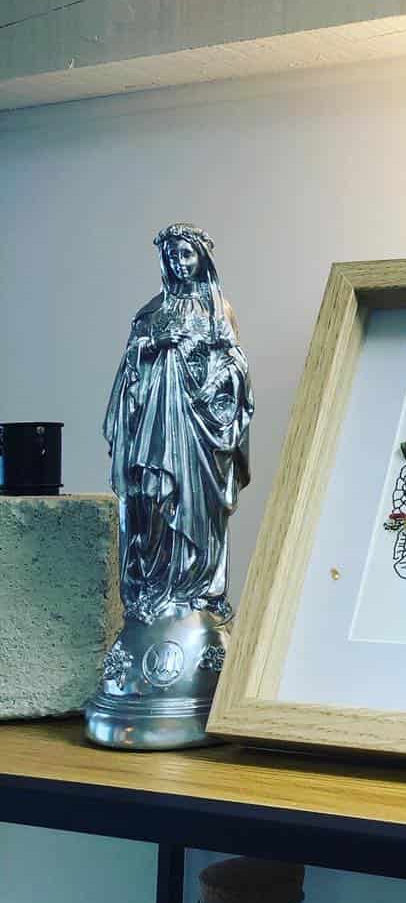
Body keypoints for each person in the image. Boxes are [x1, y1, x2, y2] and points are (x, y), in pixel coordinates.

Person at [105, 224, 253, 625]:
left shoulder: (218, 311)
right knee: (154, 502)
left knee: (197, 508)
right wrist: (154, 344)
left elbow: (236, 364)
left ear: (202, 259)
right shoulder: (151, 313)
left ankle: (199, 593)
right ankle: (155, 590)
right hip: (156, 429)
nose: (180, 263)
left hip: (201, 431)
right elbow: (129, 371)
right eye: (172, 257)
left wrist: (211, 387)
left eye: (187, 255)